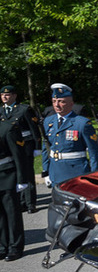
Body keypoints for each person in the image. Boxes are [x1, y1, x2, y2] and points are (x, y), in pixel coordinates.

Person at [42, 85, 98, 187]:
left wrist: (94, 174)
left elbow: (93, 151)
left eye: (61, 101)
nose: (57, 105)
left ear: (71, 104)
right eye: (54, 101)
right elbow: (46, 147)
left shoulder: (82, 123)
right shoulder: (48, 121)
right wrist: (46, 170)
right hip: (55, 170)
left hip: (76, 171)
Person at [1, 84, 41, 212]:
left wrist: (37, 146)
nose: (4, 97)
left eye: (7, 95)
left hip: (25, 146)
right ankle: (20, 201)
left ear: (14, 96)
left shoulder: (24, 109)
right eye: (2, 95)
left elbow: (34, 129)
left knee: (27, 174)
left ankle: (30, 203)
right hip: (8, 148)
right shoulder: (1, 111)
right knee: (15, 174)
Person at [0, 117, 30, 261]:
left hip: (6, 175)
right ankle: (2, 246)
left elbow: (19, 155)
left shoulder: (8, 128)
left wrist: (21, 179)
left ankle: (15, 247)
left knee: (12, 215)